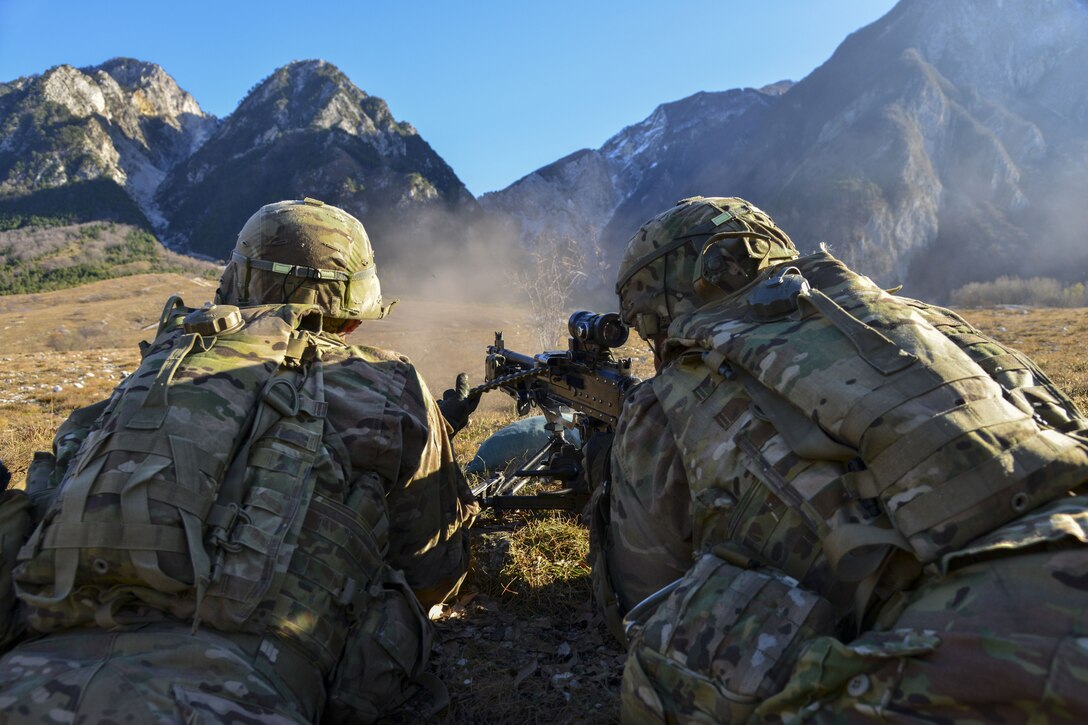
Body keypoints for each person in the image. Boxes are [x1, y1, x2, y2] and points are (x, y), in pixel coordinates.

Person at [591, 196, 1088, 722]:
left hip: (974, 643)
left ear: (661, 305)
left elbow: (643, 599)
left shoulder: (668, 396)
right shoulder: (926, 318)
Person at [0, 198, 478, 723]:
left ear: (238, 280)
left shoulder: (159, 369)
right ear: (354, 309)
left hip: (29, 672)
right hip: (240, 691)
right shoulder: (390, 383)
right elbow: (434, 566)